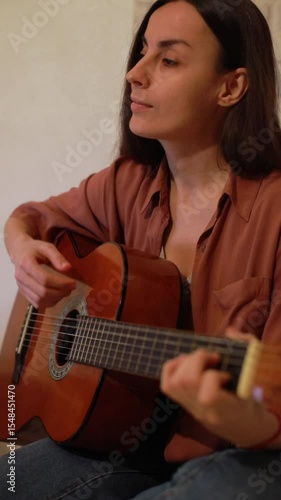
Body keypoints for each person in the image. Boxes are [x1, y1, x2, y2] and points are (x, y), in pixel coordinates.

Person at [1, 0, 281, 498]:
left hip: (249, 452)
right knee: (10, 480)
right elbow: (30, 217)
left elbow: (269, 412)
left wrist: (234, 413)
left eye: (167, 60)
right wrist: (24, 251)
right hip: (129, 436)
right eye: (141, 53)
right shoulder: (127, 184)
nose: (134, 74)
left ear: (231, 86)